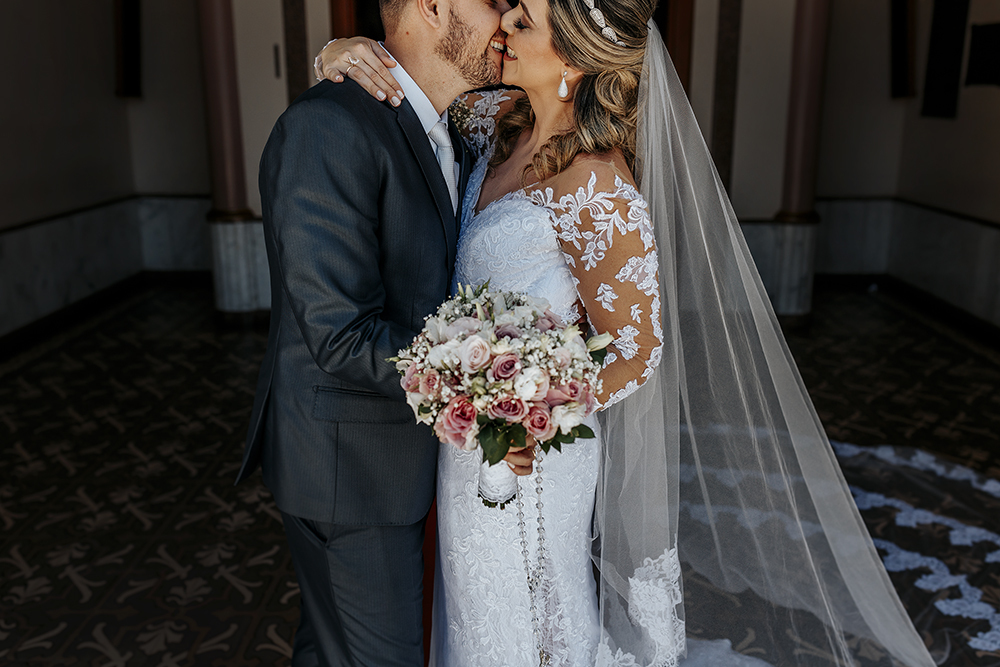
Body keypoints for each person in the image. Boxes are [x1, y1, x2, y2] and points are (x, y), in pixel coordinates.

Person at [316, 1, 940, 666]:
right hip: (471, 430)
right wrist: (342, 52)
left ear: (575, 61)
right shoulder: (492, 124)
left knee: (533, 611)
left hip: (533, 448)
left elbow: (640, 348)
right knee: (473, 606)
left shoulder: (596, 184)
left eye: (522, 22)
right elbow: (415, 92)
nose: (501, 26)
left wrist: (533, 410)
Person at [233, 1, 532, 665]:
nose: (507, 16)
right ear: (433, 7)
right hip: (352, 473)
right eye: (492, 1)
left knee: (330, 649)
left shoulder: (453, 126)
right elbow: (339, 334)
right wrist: (489, 373)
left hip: (397, 458)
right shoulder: (328, 127)